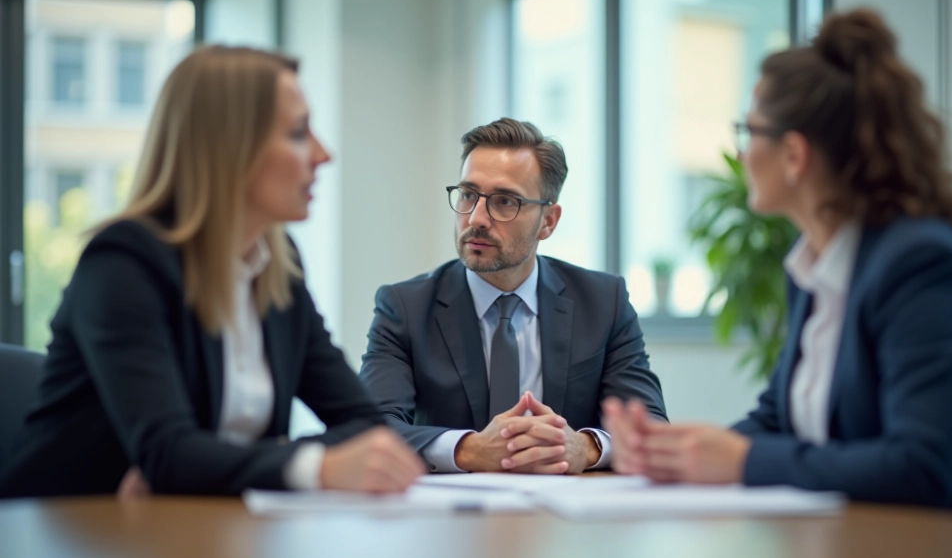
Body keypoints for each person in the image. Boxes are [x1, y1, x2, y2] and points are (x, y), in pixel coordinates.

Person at [603, 9, 952, 518]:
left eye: (748, 129)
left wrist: (743, 461)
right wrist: (676, 455)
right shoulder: (814, 268)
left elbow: (920, 467)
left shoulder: (920, 264)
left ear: (794, 155)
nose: (740, 148)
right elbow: (781, 416)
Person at [0, 46, 423, 498]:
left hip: (196, 532)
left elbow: (364, 426)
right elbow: (167, 453)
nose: (323, 154)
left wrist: (229, 461)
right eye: (299, 133)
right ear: (230, 147)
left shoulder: (279, 266)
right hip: (58, 534)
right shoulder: (122, 264)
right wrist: (313, 465)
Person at [361, 118, 667, 474]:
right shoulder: (405, 309)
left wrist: (585, 446)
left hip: (566, 520)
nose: (476, 218)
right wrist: (468, 450)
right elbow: (370, 428)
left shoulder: (603, 302)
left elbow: (650, 429)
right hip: (448, 521)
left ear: (548, 221)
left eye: (504, 201)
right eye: (468, 194)